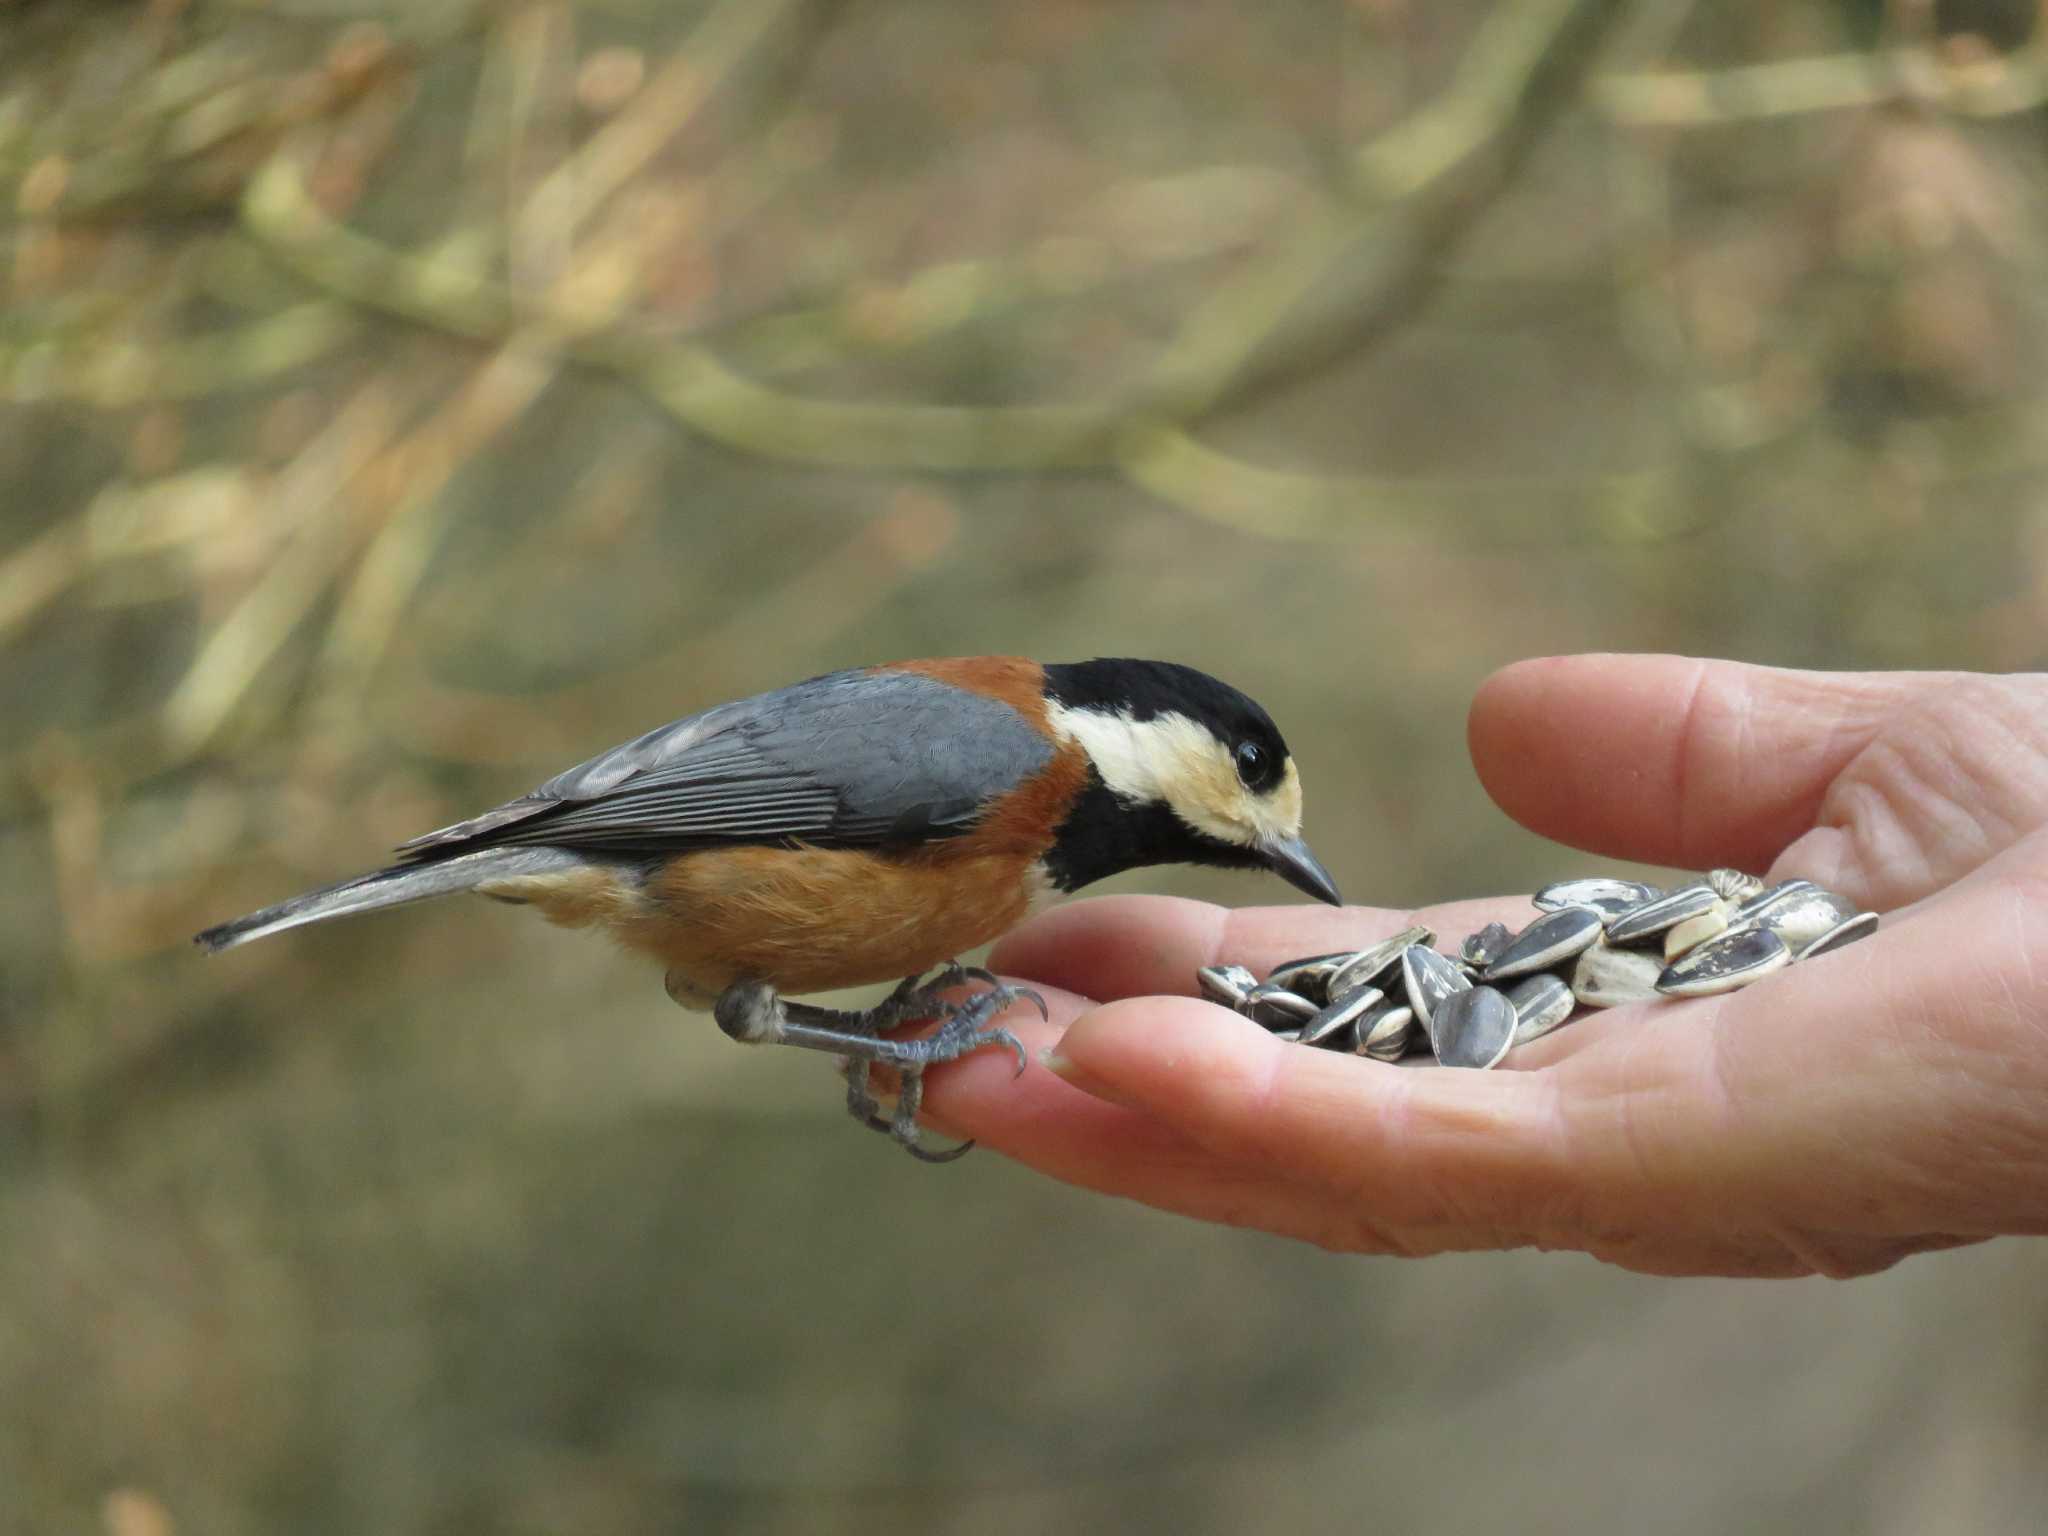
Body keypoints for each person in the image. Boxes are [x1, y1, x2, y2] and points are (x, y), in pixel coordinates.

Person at [921, 654, 2048, 1278]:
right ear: (1140, 721)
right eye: (1251, 773)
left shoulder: (1024, 788)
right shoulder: (1006, 750)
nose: (1279, 837)